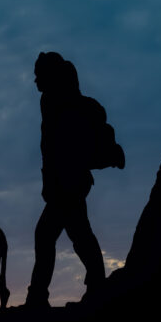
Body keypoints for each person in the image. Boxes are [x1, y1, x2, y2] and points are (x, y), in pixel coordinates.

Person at [25, 51, 108, 308]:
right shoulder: (52, 103)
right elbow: (50, 149)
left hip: (68, 183)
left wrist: (55, 182)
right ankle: (95, 286)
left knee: (49, 234)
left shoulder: (60, 105)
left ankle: (39, 296)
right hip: (66, 183)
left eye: (39, 75)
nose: (35, 81)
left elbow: (60, 149)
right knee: (78, 234)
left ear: (50, 76)